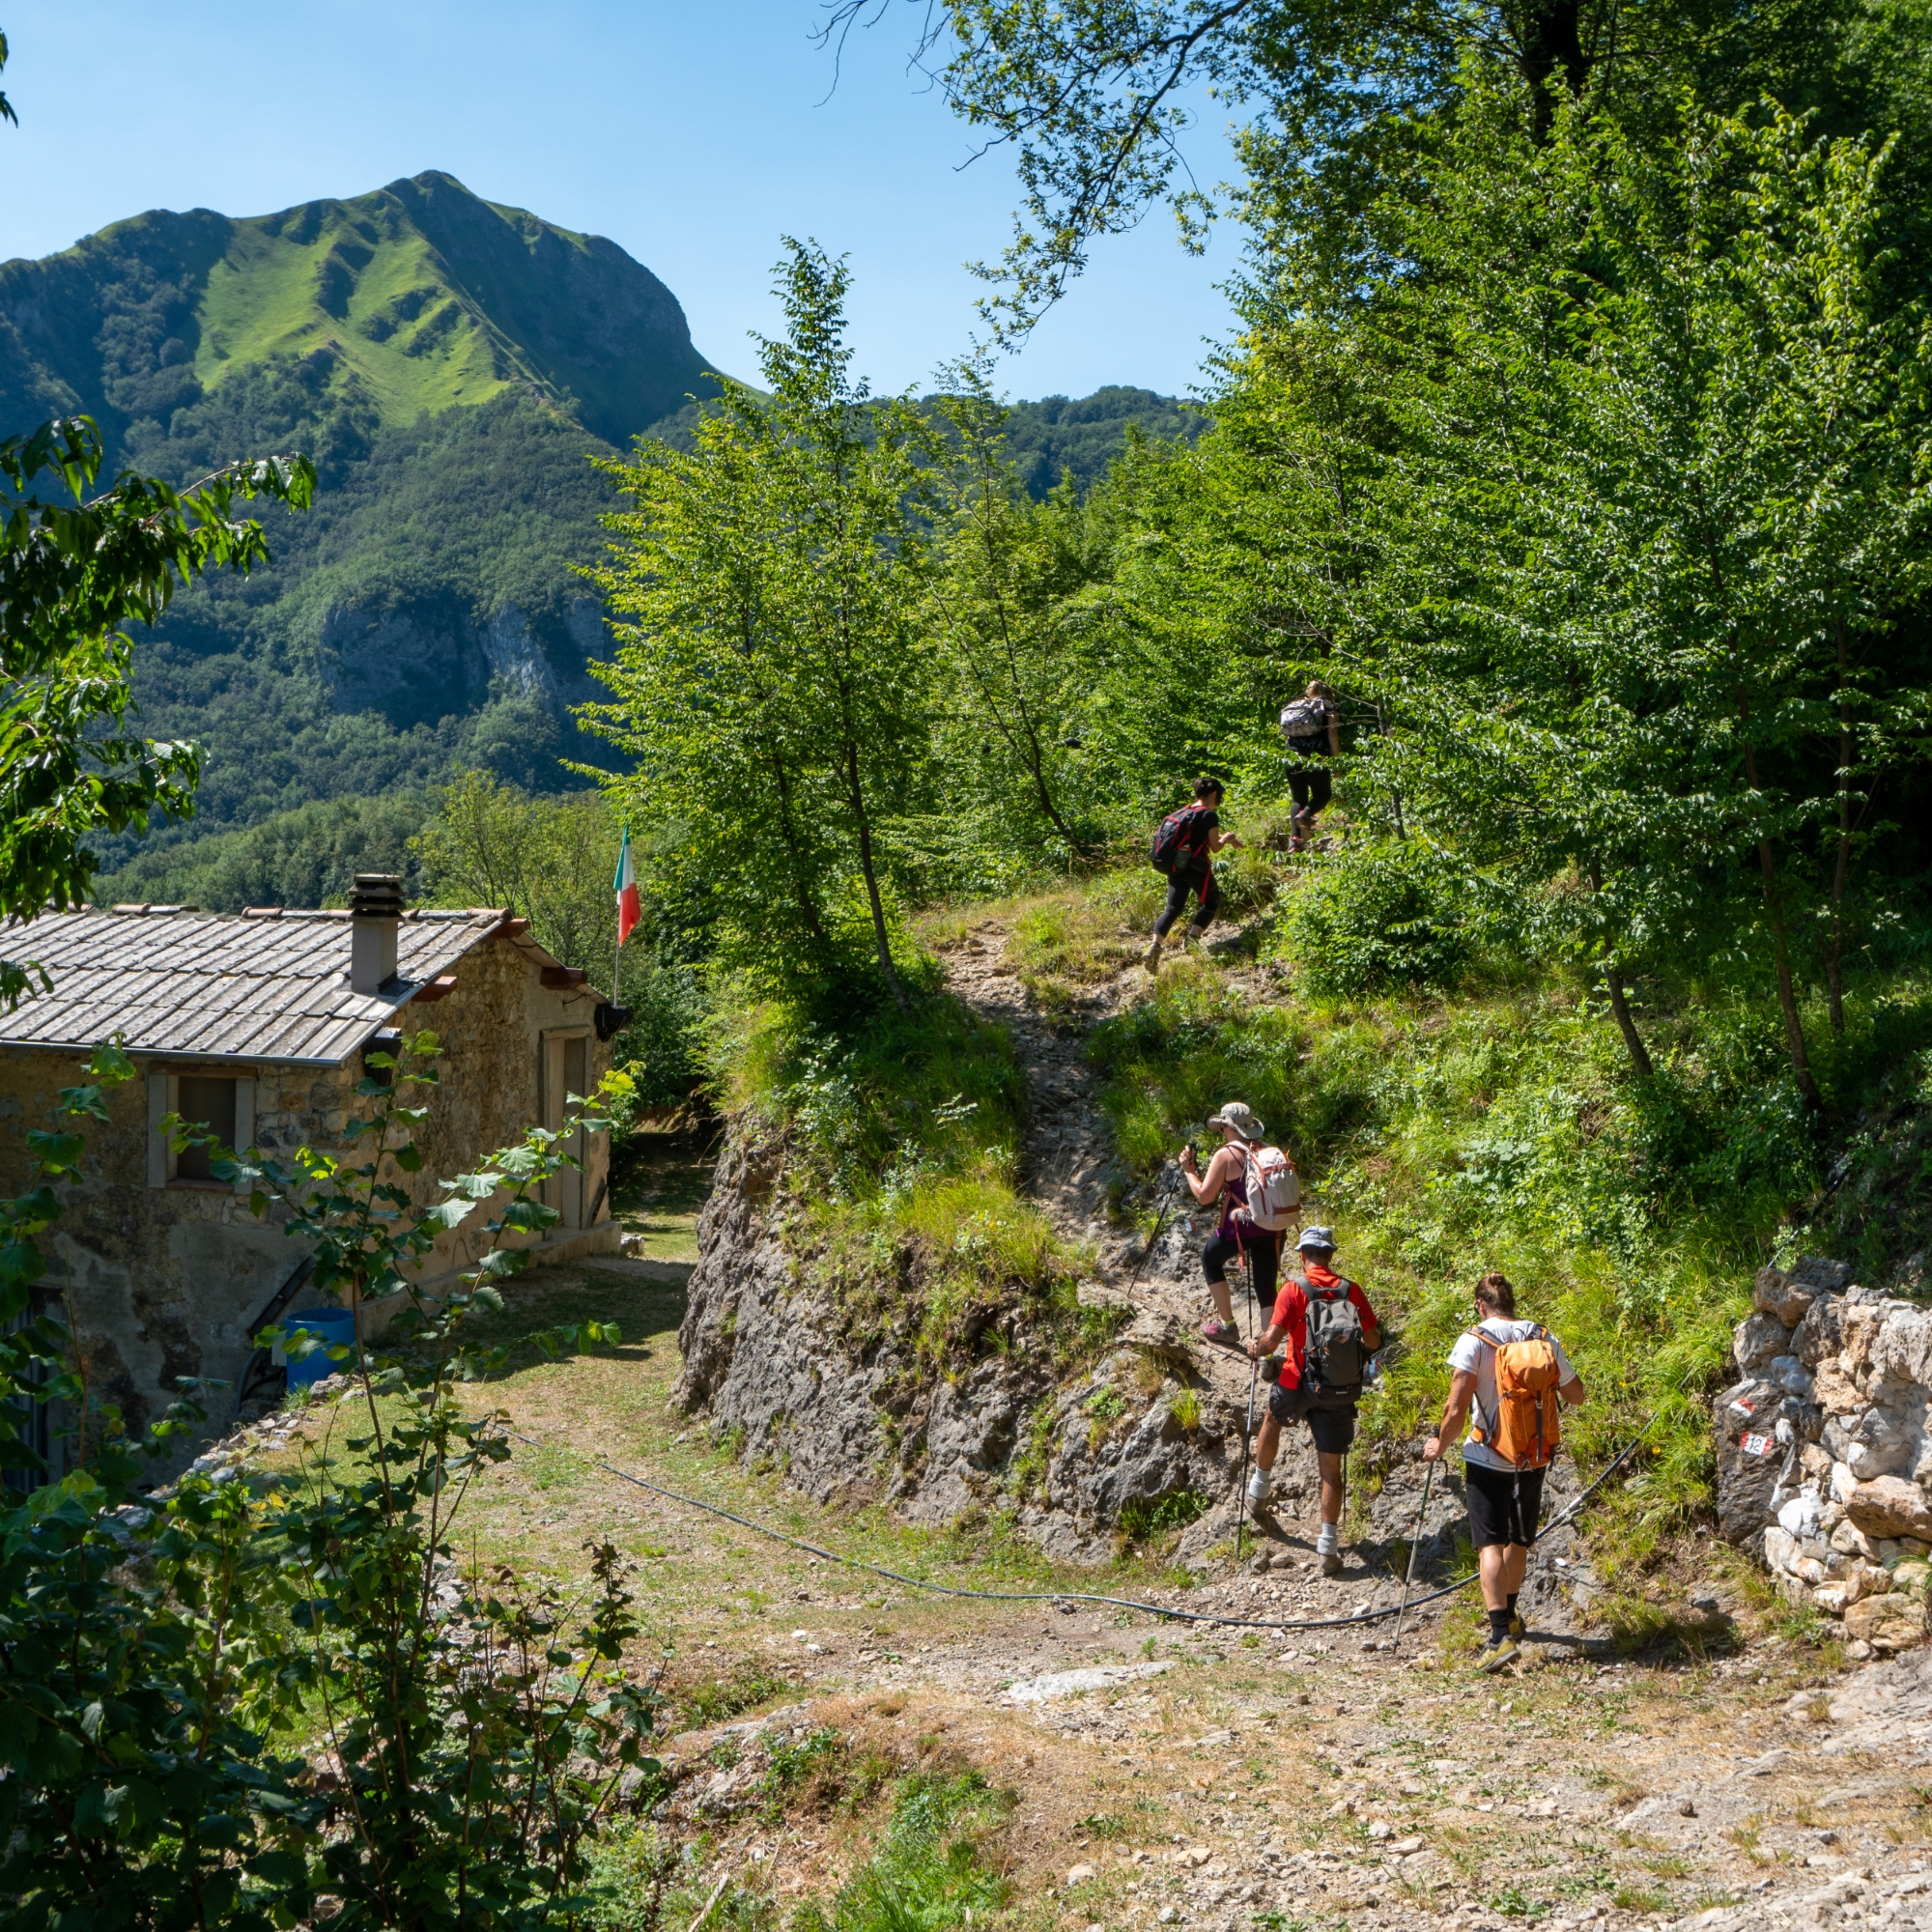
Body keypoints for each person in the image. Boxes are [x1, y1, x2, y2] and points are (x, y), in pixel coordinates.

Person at [1423, 1272, 1587, 1671]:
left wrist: (1438, 1445)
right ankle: (1512, 1616)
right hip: (1533, 1456)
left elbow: (1456, 1408)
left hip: (1487, 1457)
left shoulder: (1473, 1341)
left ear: (1482, 1306)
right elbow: (1577, 1395)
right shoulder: (1543, 1337)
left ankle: (1498, 1637)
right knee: (1519, 1540)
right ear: (1511, 1303)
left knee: (1489, 1544)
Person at [1244, 1226, 1380, 1577]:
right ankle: (1328, 1551)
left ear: (1303, 1255)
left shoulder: (1295, 1289)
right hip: (1339, 1389)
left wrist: (1255, 1348)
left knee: (1272, 1421)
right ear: (1331, 1255)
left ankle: (1257, 1493)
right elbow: (1373, 1339)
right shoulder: (1351, 1291)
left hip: (1297, 1381)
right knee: (1330, 1471)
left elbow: (1271, 1343)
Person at [1179, 1102, 1283, 1346]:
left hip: (1241, 1228)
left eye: (1223, 1126)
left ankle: (1227, 1326)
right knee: (1266, 1286)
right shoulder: (1269, 1149)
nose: (1222, 1131)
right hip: (1273, 1225)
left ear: (1229, 1127)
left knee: (1209, 1259)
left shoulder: (1226, 1154)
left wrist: (1188, 1171)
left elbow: (1204, 1197)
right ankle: (1266, 1352)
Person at [1145, 777, 1242, 974]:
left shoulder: (1183, 812)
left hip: (1175, 866)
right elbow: (1215, 847)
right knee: (1211, 903)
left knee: (1172, 908)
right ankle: (1192, 939)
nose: (1219, 802)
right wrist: (1226, 839)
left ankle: (1155, 946)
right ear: (1213, 794)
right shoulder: (1209, 815)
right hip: (1196, 867)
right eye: (1219, 797)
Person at [1278, 680, 1341, 851]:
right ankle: (1305, 816)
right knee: (1323, 794)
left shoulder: (1295, 705)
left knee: (1298, 798)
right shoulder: (1328, 707)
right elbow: (1333, 733)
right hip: (1316, 755)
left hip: (1290, 755)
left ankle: (1294, 842)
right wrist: (1337, 761)